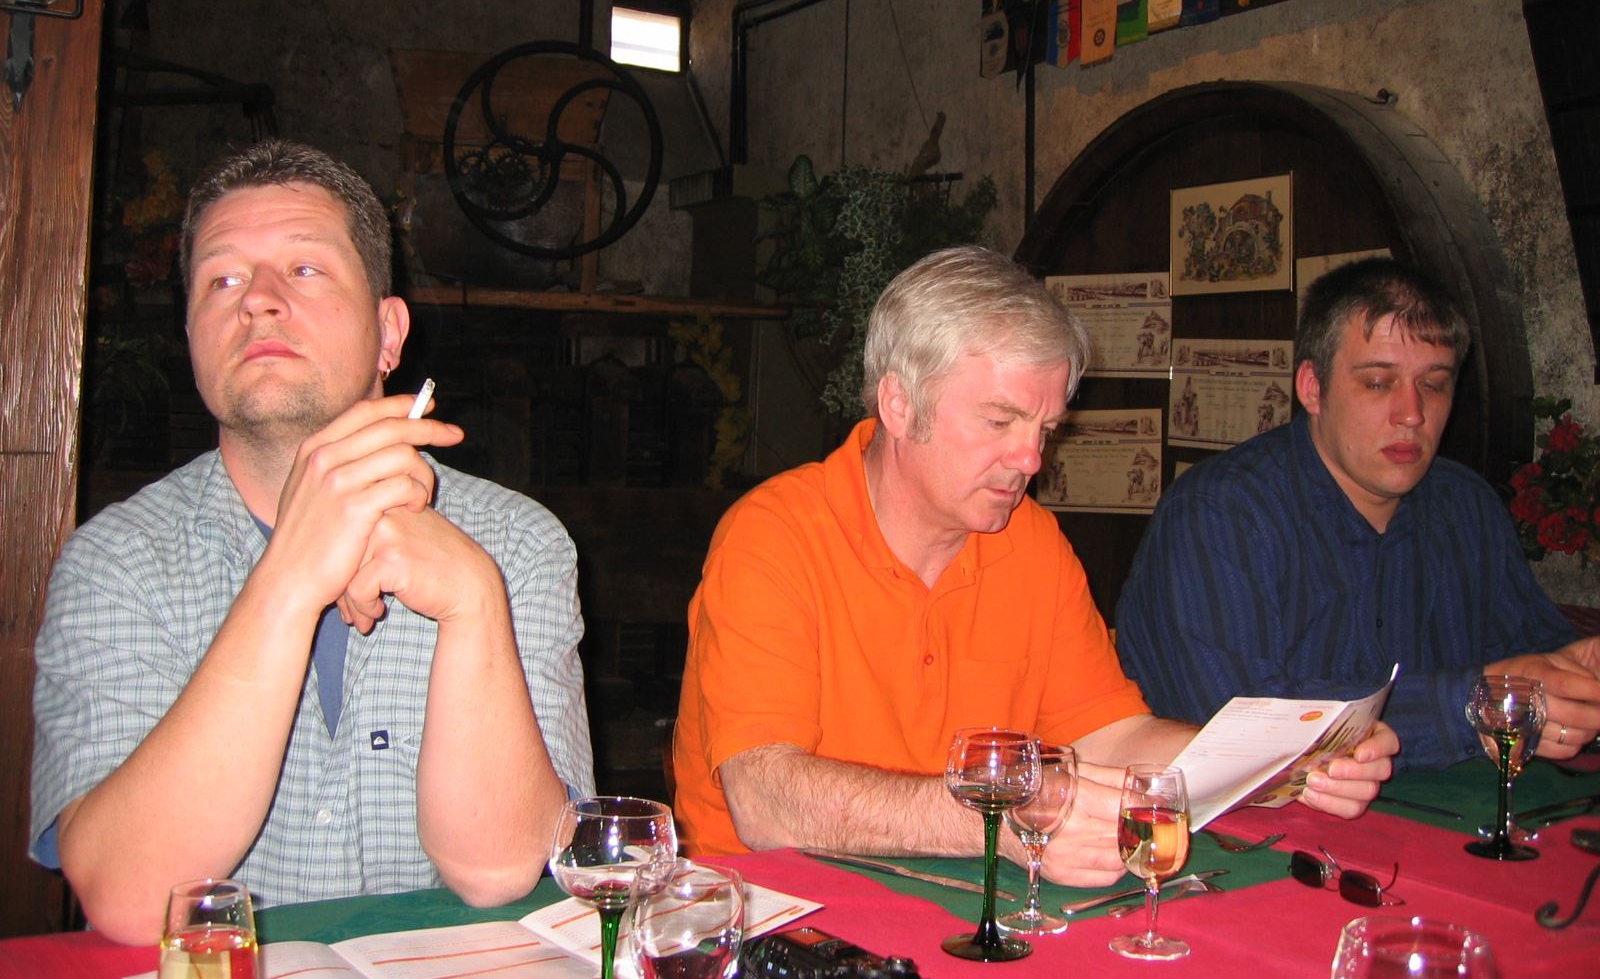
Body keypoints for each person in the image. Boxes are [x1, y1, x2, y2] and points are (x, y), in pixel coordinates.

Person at [672, 246, 1395, 886]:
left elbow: (1109, 735)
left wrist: (1287, 762)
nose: (1031, 459)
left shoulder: (1032, 541)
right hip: (775, 915)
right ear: (899, 403)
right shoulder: (775, 538)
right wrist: (1002, 819)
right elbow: (764, 801)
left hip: (964, 897)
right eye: (1000, 421)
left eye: (1045, 428)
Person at [30, 140, 594, 942]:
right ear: (192, 337)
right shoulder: (114, 562)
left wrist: (475, 601)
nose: (258, 301)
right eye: (222, 280)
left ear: (388, 333)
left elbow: (498, 870)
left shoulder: (516, 544)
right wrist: (290, 576)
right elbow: (129, 900)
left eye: (304, 270)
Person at [1116, 257, 1600, 771]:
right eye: (1378, 383)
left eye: (1433, 384)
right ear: (1312, 388)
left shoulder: (1467, 506)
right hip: (1246, 817)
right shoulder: (1219, 513)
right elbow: (1242, 727)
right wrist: (1475, 702)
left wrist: (1579, 672)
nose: (1411, 414)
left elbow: (1536, 651)